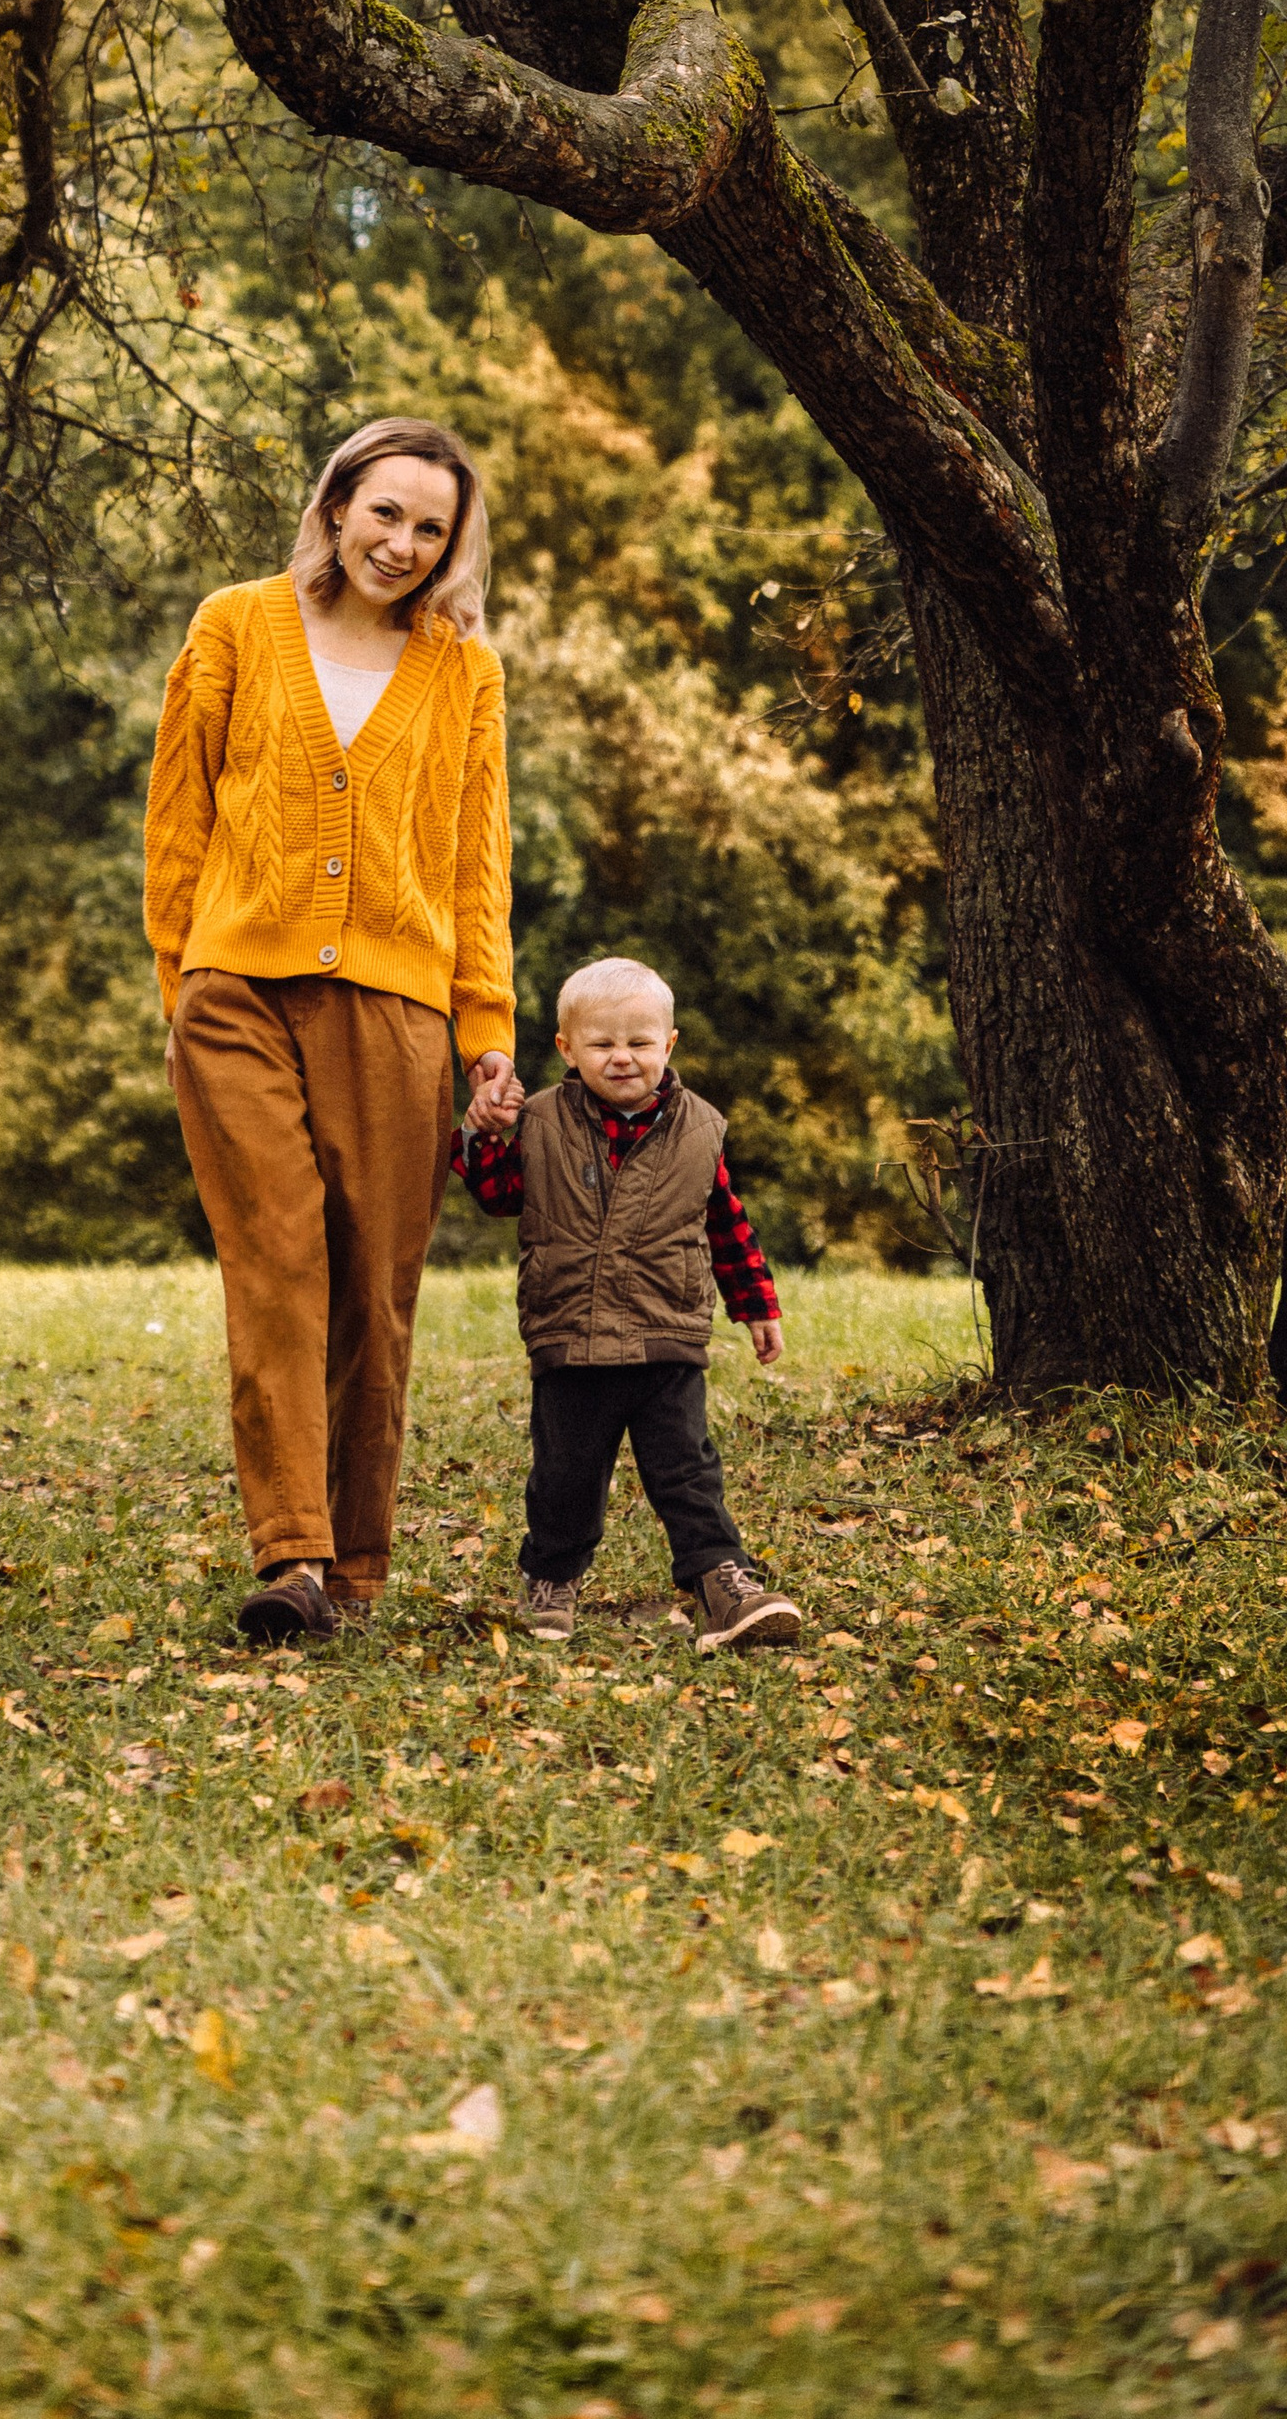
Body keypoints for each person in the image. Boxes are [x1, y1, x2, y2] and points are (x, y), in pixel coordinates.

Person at [145, 418, 523, 1644]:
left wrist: (486, 1032)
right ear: (334, 504)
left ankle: (356, 1561)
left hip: (397, 1005)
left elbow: (477, 867)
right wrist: (184, 982)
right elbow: (177, 822)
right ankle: (293, 1554)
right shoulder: (233, 624)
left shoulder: (464, 671)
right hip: (234, 989)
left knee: (376, 1280)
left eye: (431, 526)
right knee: (278, 1257)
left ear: (453, 545)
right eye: (384, 512)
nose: (402, 542)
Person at [454, 953, 802, 1653]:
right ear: (566, 1050)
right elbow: (495, 1197)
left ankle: (722, 1584)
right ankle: (549, 1583)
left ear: (668, 1045)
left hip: (665, 1335)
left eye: (639, 1043)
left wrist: (755, 1304)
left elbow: (726, 1223)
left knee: (688, 1471)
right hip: (569, 1336)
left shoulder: (701, 1128)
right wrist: (487, 1135)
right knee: (565, 1477)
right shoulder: (540, 1121)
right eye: (602, 1044)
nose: (621, 1059)